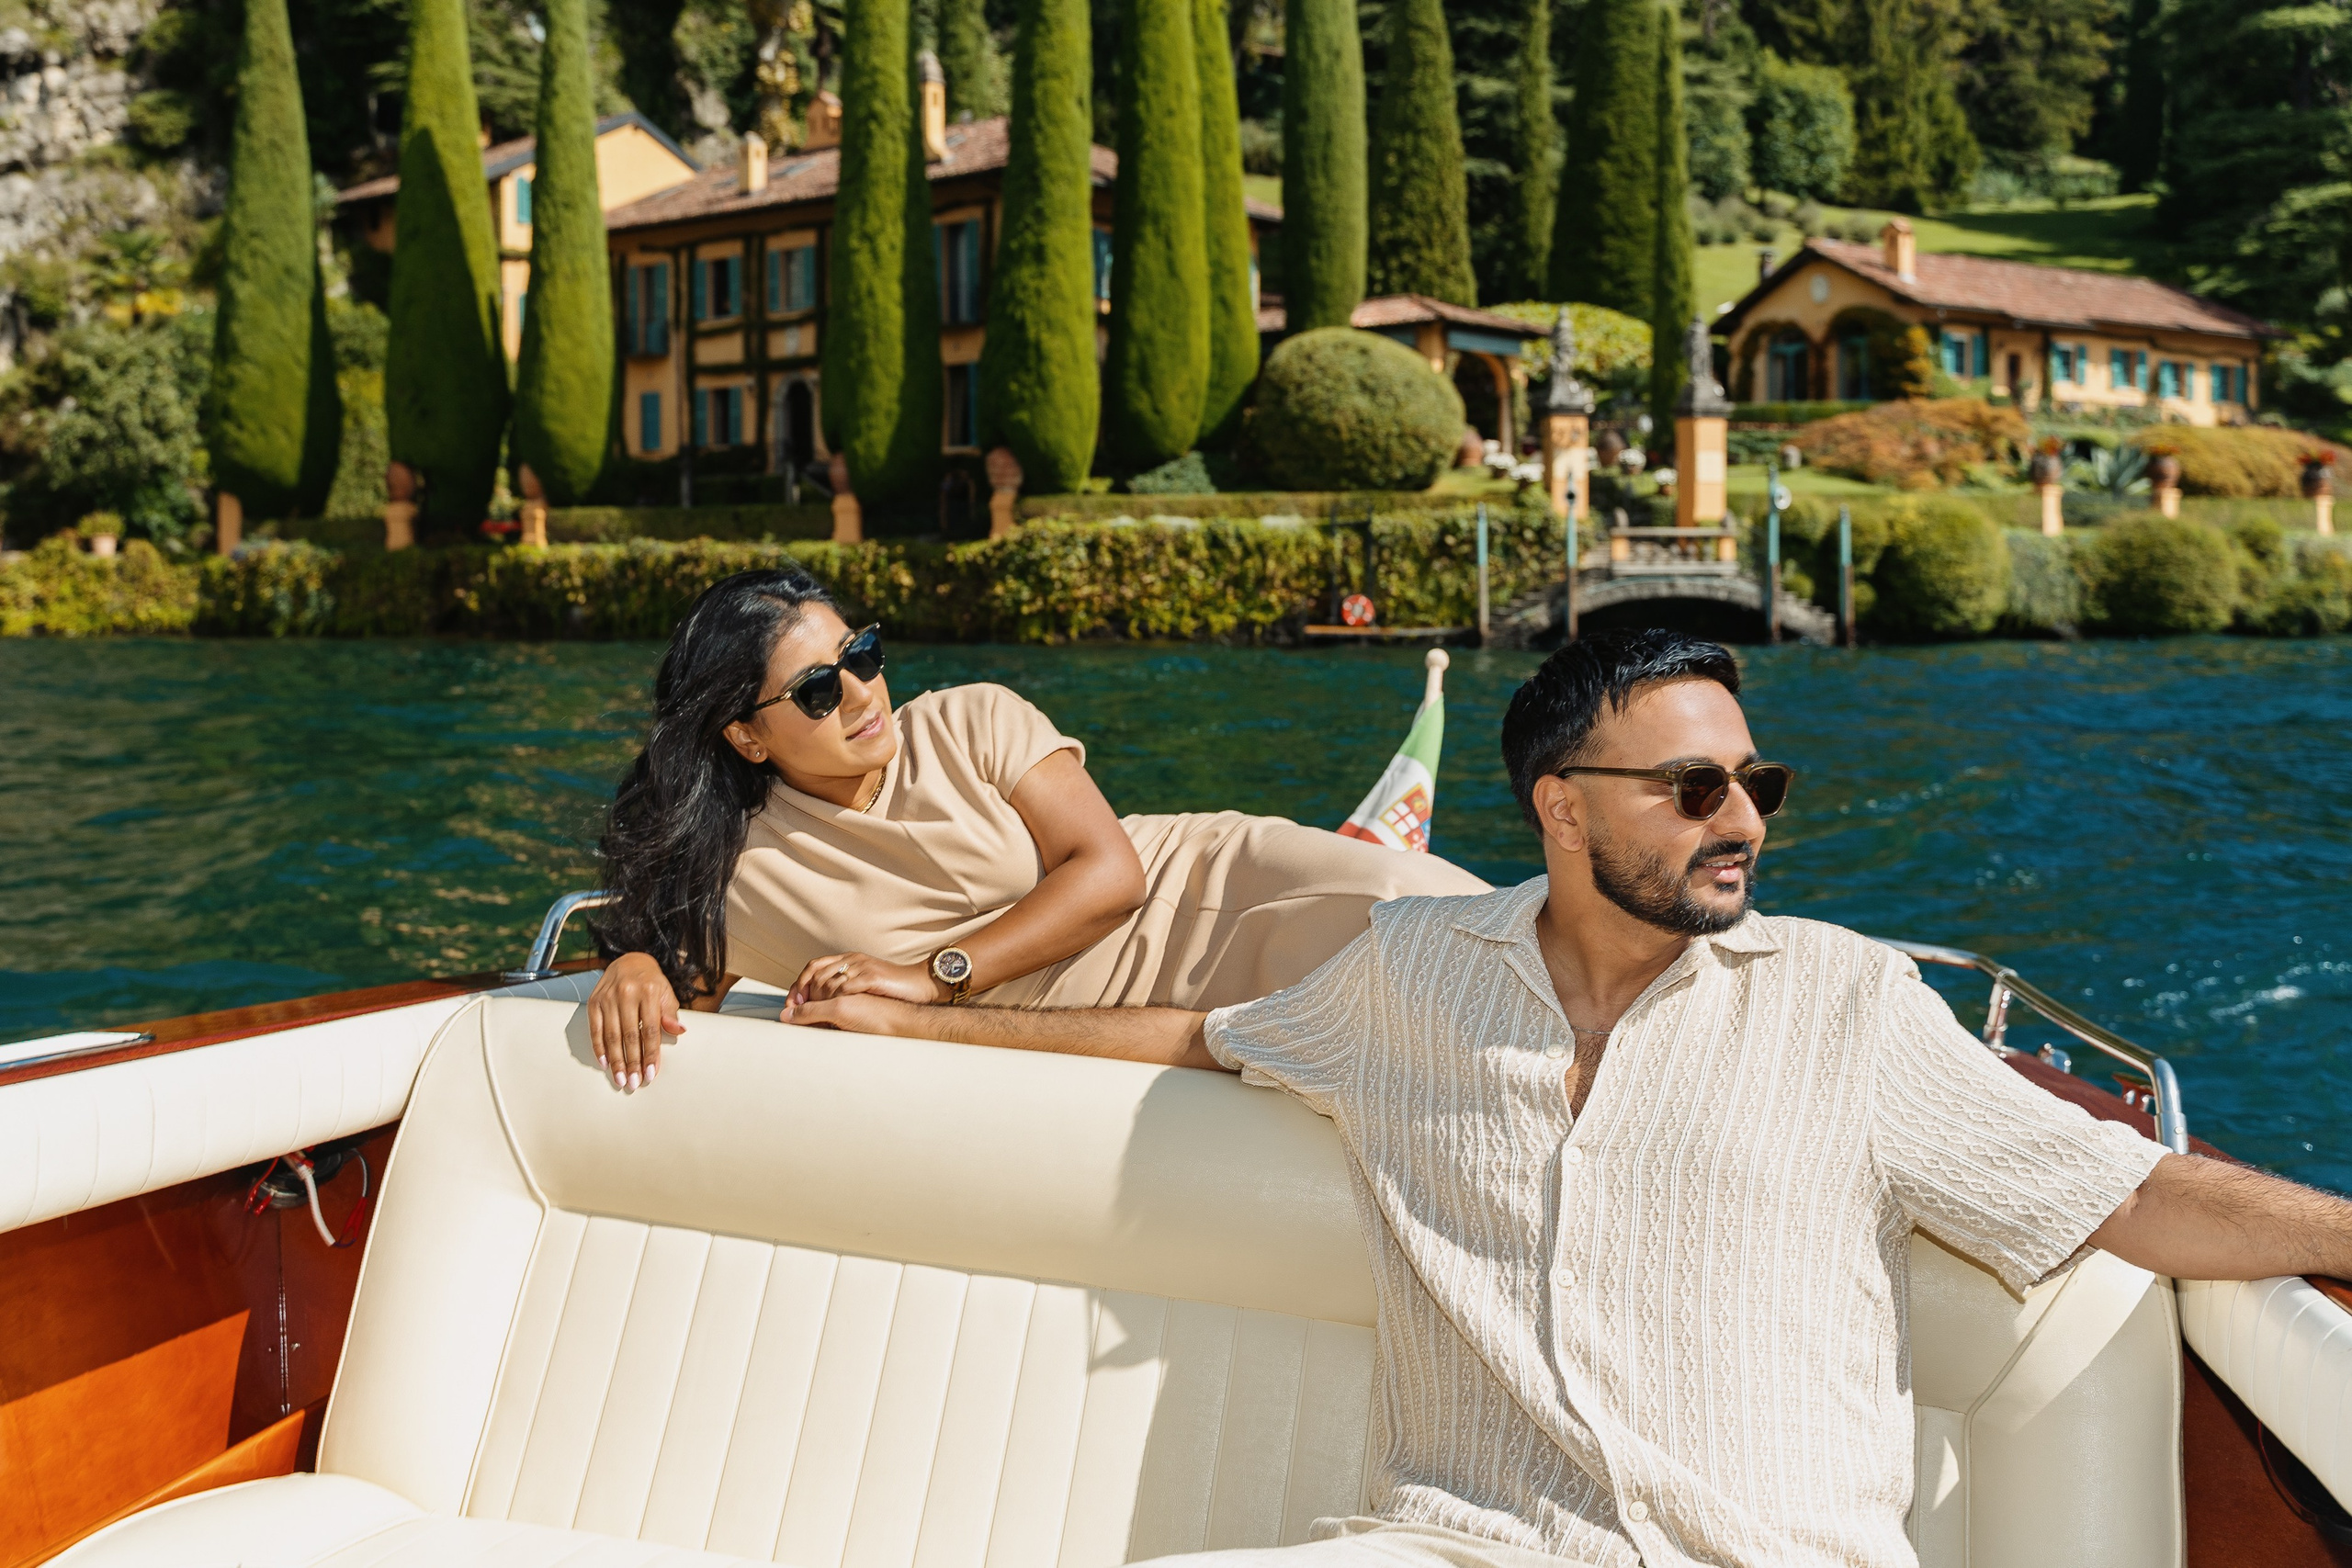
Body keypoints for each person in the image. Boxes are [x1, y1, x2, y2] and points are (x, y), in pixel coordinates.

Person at [787, 626, 2352, 1568]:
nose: (1739, 819)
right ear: (1557, 807)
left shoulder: (1849, 997)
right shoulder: (1409, 975)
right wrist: (919, 1019)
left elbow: (2126, 1190)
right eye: (1693, 790)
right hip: (1463, 1545)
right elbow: (1198, 1033)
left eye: (1756, 785)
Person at [588, 567, 1486, 1087]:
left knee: (1441, 928)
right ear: (744, 734)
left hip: (1210, 887)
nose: (862, 693)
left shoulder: (967, 718)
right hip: (1109, 1026)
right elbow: (679, 983)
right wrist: (630, 966)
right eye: (820, 689)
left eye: (860, 655)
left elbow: (1111, 872)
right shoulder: (739, 877)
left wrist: (927, 978)